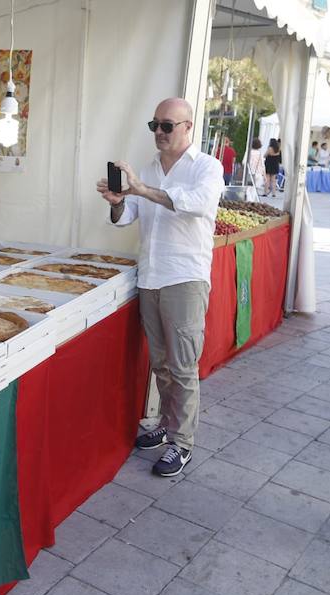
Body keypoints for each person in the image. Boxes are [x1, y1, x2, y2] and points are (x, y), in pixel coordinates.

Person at [96, 97, 224, 477]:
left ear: (188, 127)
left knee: (183, 366)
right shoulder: (149, 169)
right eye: (155, 125)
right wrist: (118, 201)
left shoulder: (207, 167)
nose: (160, 132)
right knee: (160, 363)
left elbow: (194, 204)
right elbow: (125, 218)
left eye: (167, 125)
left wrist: (141, 189)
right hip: (150, 276)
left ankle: (183, 442)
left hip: (184, 277)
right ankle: (168, 425)